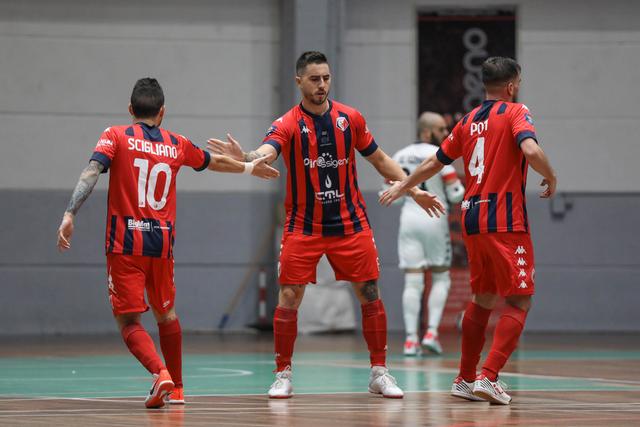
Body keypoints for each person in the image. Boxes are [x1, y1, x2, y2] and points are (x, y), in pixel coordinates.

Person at [208, 51, 445, 399]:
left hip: (351, 223)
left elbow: (380, 159)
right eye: (314, 79)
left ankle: (379, 373)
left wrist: (414, 190)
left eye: (326, 78)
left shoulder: (350, 118)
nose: (322, 85)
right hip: (303, 225)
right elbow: (267, 152)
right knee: (289, 296)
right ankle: (282, 374)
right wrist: (245, 158)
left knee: (370, 293)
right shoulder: (287, 123)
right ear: (299, 81)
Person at [56, 78, 279, 408]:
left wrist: (70, 213)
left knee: (129, 321)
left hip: (125, 243)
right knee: (167, 314)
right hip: (161, 244)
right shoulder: (176, 143)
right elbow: (212, 161)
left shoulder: (114, 135)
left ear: (130, 109)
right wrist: (248, 168)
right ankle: (178, 389)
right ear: (162, 112)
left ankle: (160, 374)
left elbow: (91, 172)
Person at [380, 57, 557, 405]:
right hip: (505, 220)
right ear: (512, 85)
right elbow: (530, 148)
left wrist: (404, 185)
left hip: (472, 219)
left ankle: (464, 378)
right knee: (520, 298)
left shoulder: (468, 120)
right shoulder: (516, 112)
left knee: (484, 297)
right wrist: (551, 175)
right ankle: (488, 377)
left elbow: (435, 161)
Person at [388, 112, 465, 356]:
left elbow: (392, 196)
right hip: (435, 219)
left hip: (409, 221)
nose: (446, 133)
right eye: (441, 129)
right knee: (441, 277)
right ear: (427, 132)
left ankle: (411, 340)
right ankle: (431, 333)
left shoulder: (399, 156)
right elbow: (455, 195)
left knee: (413, 281)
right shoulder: (441, 157)